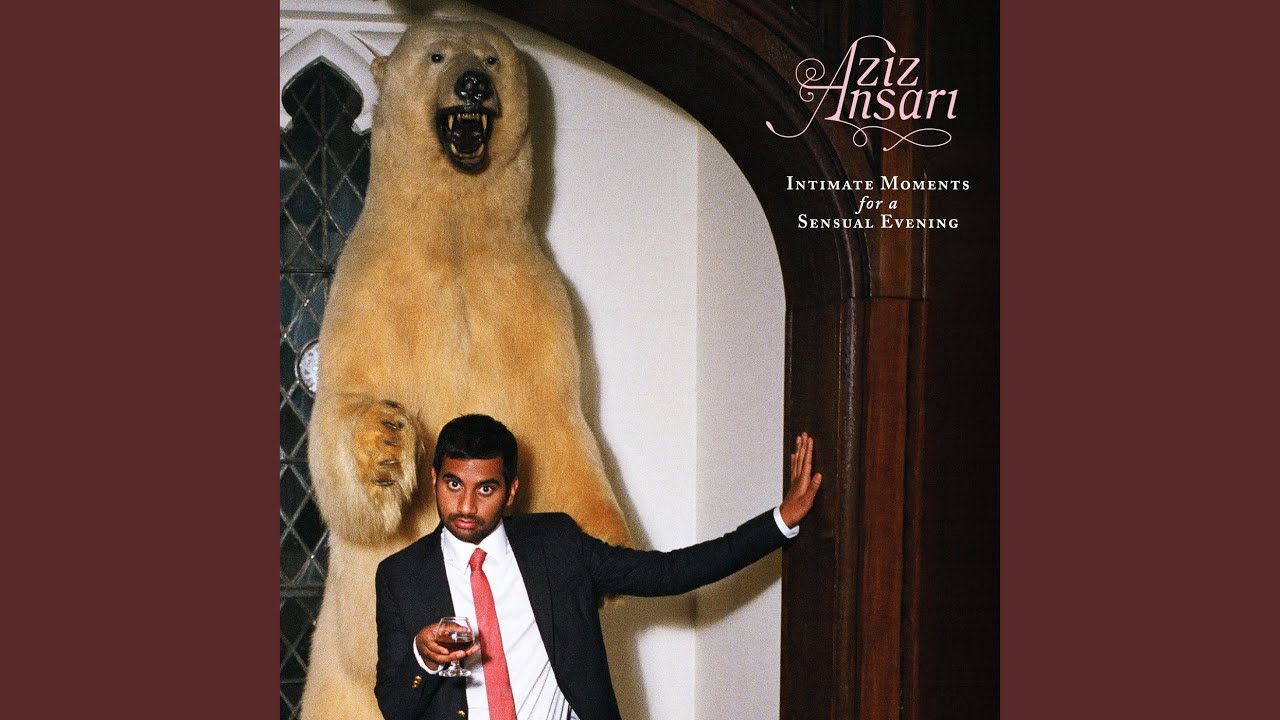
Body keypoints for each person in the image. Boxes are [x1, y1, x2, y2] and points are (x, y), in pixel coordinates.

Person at [374, 414, 823, 720]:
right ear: (434, 479)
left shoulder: (557, 543)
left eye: (485, 489)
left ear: (511, 491)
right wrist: (422, 658)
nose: (466, 505)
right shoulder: (400, 575)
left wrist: (779, 522)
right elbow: (395, 707)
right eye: (453, 484)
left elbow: (671, 573)